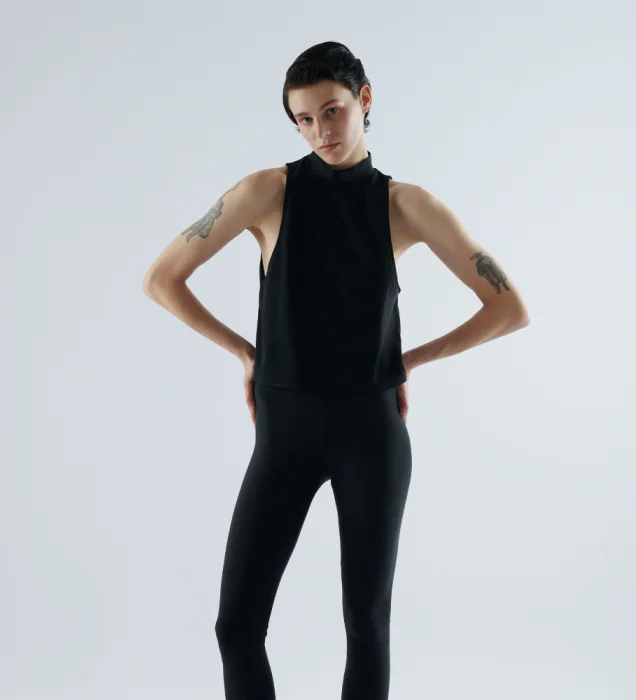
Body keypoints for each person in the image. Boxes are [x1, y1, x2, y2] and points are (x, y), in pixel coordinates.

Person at [142, 41, 530, 700]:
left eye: (332, 111)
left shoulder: (405, 205)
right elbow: (162, 279)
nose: (319, 131)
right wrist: (245, 352)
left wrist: (407, 360)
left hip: (370, 436)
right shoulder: (267, 191)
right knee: (237, 625)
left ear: (364, 99)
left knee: (366, 628)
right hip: (284, 436)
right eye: (303, 119)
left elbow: (509, 308)